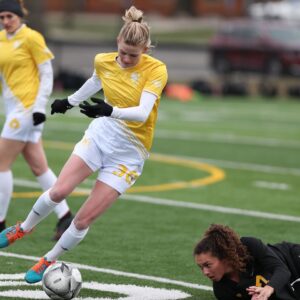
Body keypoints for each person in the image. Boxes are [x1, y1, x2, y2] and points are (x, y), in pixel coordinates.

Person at [0, 5, 168, 284]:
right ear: (117, 42)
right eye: (123, 52)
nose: (126, 59)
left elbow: (141, 112)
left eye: (133, 55)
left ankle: (48, 259)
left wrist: (109, 110)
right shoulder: (103, 60)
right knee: (58, 191)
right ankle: (23, 228)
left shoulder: (156, 70)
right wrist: (69, 102)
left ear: (146, 51)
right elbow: (95, 81)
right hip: (100, 136)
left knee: (82, 220)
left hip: (130, 153)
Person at [0, 0, 73, 241]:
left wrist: (40, 106)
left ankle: (0, 223)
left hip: (28, 109)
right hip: (13, 109)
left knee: (1, 164)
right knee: (39, 168)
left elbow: (47, 73)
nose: (6, 21)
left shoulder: (32, 37)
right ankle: (65, 216)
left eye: (10, 16)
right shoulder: (1, 39)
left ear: (20, 15)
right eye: (1, 17)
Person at [194, 224, 300, 300]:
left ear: (224, 257)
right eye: (201, 267)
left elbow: (282, 270)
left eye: (208, 265)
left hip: (292, 258)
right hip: (291, 286)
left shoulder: (248, 246)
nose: (205, 272)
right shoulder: (222, 291)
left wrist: (268, 289)